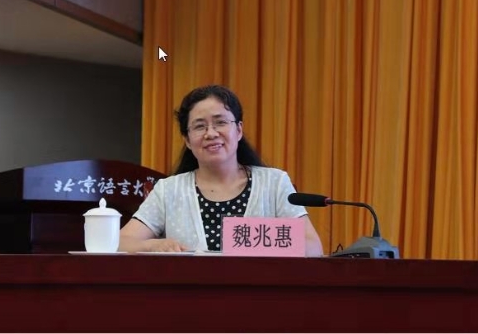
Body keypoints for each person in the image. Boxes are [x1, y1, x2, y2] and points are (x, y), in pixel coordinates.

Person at [119, 84, 324, 256]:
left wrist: (255, 241)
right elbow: (120, 242)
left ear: (239, 130)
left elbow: (313, 247)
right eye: (199, 126)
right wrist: (153, 245)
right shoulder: (168, 190)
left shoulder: (275, 183)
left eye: (220, 122)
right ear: (187, 140)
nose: (211, 133)